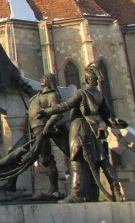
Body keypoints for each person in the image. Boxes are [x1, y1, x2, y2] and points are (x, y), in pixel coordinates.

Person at [37, 64, 127, 203]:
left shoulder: (82, 93)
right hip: (95, 130)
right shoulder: (99, 96)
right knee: (102, 161)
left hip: (80, 128)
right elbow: (109, 116)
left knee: (77, 159)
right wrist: (117, 122)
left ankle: (76, 193)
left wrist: (47, 111)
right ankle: (117, 192)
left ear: (85, 79)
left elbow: (65, 105)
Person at [2, 74, 68, 195]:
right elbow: (27, 89)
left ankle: (54, 190)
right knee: (14, 153)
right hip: (31, 131)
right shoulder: (37, 94)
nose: (42, 79)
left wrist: (48, 125)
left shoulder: (52, 95)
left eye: (45, 78)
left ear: (50, 82)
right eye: (41, 78)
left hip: (42, 130)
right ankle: (11, 183)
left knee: (46, 160)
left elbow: (57, 112)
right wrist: (16, 78)